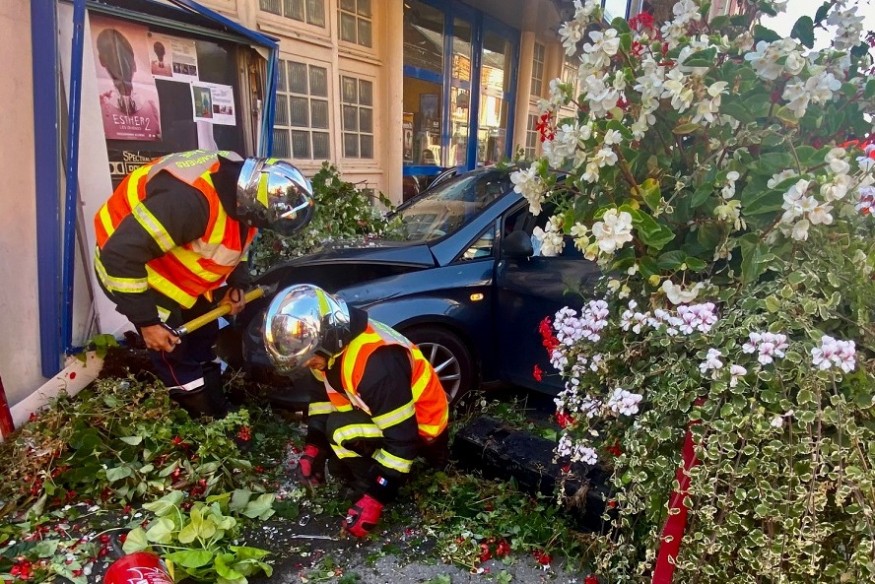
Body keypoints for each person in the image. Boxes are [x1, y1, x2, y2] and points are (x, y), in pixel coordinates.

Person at [94, 150, 314, 419]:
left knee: (204, 336)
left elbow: (238, 240)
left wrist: (237, 283)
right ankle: (201, 417)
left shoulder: (242, 190)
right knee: (172, 348)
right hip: (135, 270)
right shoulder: (188, 204)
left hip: (178, 273)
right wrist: (147, 322)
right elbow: (120, 255)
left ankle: (216, 403)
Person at [263, 284, 450, 537]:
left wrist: (376, 496)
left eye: (308, 359)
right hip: (391, 416)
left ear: (327, 338)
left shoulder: (375, 364)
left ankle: (380, 483)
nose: (308, 365)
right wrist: (313, 449)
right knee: (337, 459)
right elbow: (321, 399)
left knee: (338, 432)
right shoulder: (328, 350)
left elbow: (403, 441)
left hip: (423, 428)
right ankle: (370, 471)